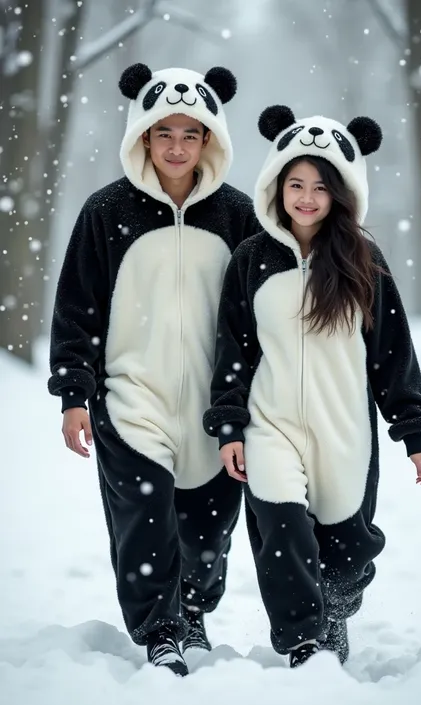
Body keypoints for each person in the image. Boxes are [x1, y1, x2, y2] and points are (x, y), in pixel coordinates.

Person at [203, 105, 421, 669]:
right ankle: (305, 645)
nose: (306, 197)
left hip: (345, 433)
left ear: (340, 193)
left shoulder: (363, 262)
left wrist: (414, 433)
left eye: (320, 187)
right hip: (272, 425)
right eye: (295, 184)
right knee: (282, 535)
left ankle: (336, 607)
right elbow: (232, 351)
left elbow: (392, 357)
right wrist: (230, 426)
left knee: (349, 551)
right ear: (277, 185)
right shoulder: (250, 259)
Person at [48, 63, 259, 676]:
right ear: (142, 135)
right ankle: (159, 630)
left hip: (215, 406)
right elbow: (76, 308)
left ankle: (193, 610)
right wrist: (74, 394)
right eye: (162, 132)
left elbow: (258, 316)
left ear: (209, 139)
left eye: (189, 133)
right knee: (144, 521)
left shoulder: (237, 215)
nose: (175, 146)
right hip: (131, 397)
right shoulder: (106, 211)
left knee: (206, 533)